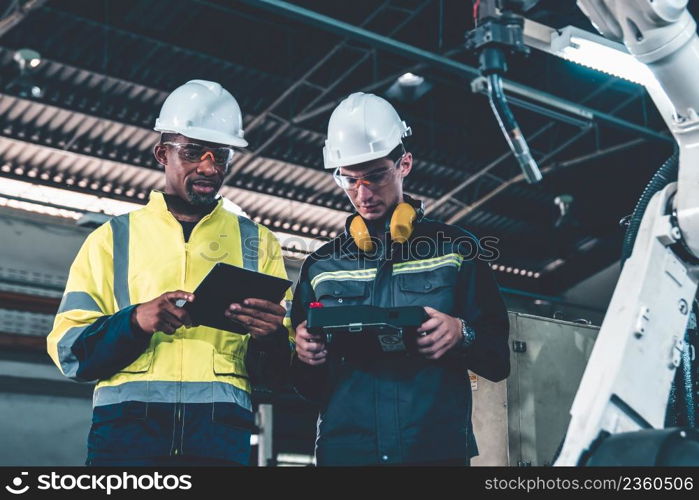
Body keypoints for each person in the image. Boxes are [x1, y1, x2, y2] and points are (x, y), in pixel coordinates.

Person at [46, 80, 292, 466]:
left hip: (219, 440)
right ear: (162, 153)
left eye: (221, 154)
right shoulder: (111, 240)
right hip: (127, 442)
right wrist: (136, 321)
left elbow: (283, 372)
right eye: (193, 151)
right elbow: (71, 353)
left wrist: (273, 337)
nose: (209, 166)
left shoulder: (258, 244)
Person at [290, 92, 510, 466]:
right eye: (350, 180)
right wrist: (305, 356)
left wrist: (462, 333)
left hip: (432, 450)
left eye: (375, 176)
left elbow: (498, 358)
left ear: (404, 163)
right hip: (347, 454)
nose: (363, 193)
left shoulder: (456, 249)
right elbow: (305, 387)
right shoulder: (320, 267)